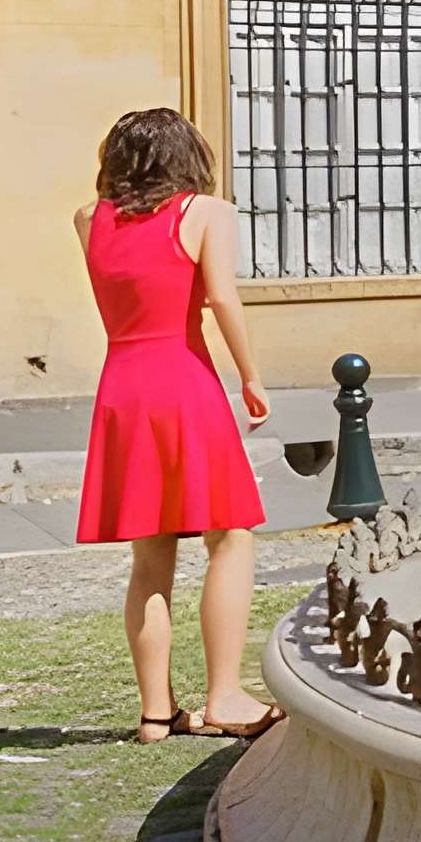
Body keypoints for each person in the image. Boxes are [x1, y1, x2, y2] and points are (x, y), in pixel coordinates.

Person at [74, 109, 278, 743]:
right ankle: (225, 696)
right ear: (187, 156)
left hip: (122, 387)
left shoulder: (89, 220)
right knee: (230, 536)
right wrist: (251, 375)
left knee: (150, 555)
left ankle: (156, 713)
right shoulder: (207, 214)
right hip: (184, 379)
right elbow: (221, 297)